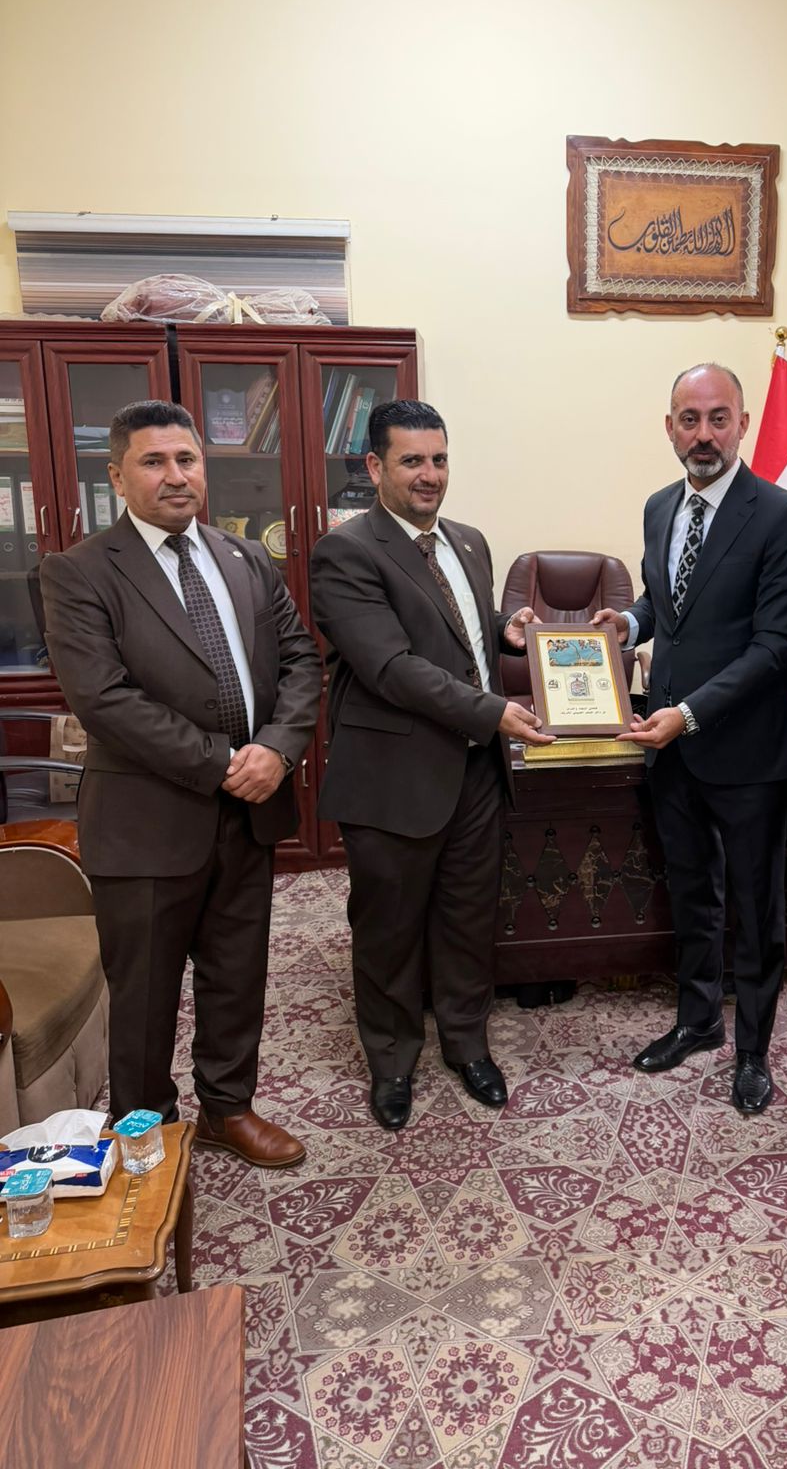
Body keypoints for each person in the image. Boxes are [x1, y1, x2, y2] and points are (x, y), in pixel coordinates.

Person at [39, 400, 321, 1167]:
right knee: (145, 992)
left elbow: (301, 660)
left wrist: (277, 750)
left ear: (204, 467)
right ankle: (147, 1126)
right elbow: (103, 700)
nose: (175, 476)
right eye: (154, 461)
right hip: (147, 820)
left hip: (250, 812)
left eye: (187, 459)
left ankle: (228, 1108)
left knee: (237, 975)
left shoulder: (245, 558)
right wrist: (223, 763)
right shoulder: (79, 571)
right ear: (117, 477)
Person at [310, 399, 552, 1132]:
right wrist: (491, 711)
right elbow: (390, 665)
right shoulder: (346, 552)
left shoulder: (468, 542)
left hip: (474, 771)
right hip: (393, 776)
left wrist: (505, 634)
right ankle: (391, 1060)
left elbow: (453, 633)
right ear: (375, 466)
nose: (430, 475)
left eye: (439, 459)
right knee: (388, 926)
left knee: (468, 918)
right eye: (412, 460)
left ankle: (467, 1044)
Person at [594, 362, 787, 1113]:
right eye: (689, 419)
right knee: (691, 892)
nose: (704, 434)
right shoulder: (661, 506)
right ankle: (698, 1021)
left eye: (719, 418)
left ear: (743, 424)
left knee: (756, 907)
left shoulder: (782, 516)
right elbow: (669, 602)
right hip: (671, 749)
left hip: (746, 753)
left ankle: (753, 1050)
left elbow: (776, 645)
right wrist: (629, 623)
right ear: (669, 428)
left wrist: (688, 713)